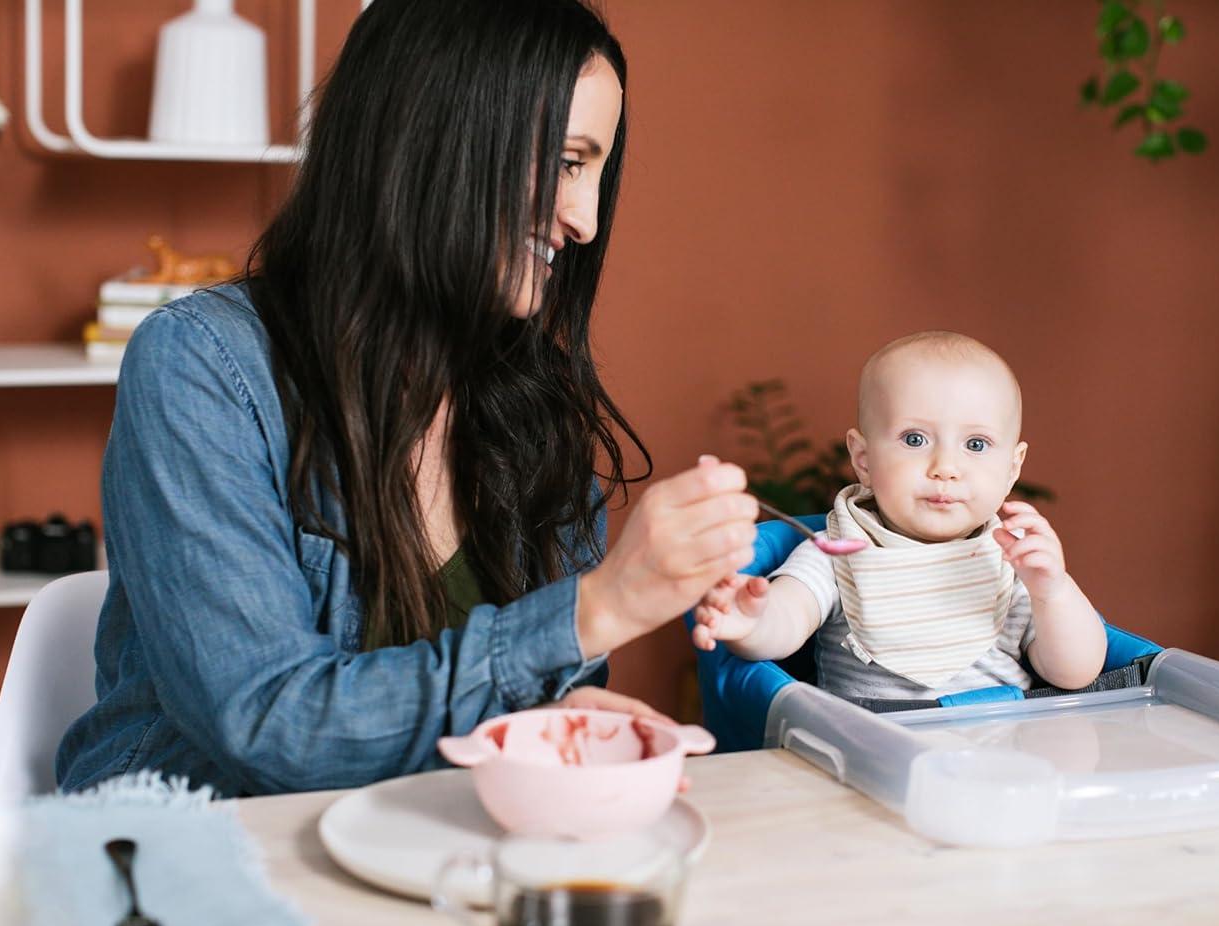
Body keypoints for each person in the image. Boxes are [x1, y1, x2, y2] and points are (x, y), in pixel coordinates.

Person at [57, 0, 758, 797]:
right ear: (434, 138)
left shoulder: (531, 403)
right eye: (568, 162)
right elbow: (265, 722)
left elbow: (528, 695)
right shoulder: (204, 365)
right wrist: (592, 610)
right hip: (204, 863)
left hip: (427, 840)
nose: (586, 220)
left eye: (596, 171)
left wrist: (586, 731)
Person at [690, 331, 1106, 707]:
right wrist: (750, 623)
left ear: (1013, 468)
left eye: (976, 444)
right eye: (915, 439)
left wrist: (1052, 592)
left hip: (1002, 761)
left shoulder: (1012, 562)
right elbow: (787, 621)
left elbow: (1074, 672)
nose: (945, 466)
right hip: (871, 759)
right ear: (864, 459)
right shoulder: (841, 552)